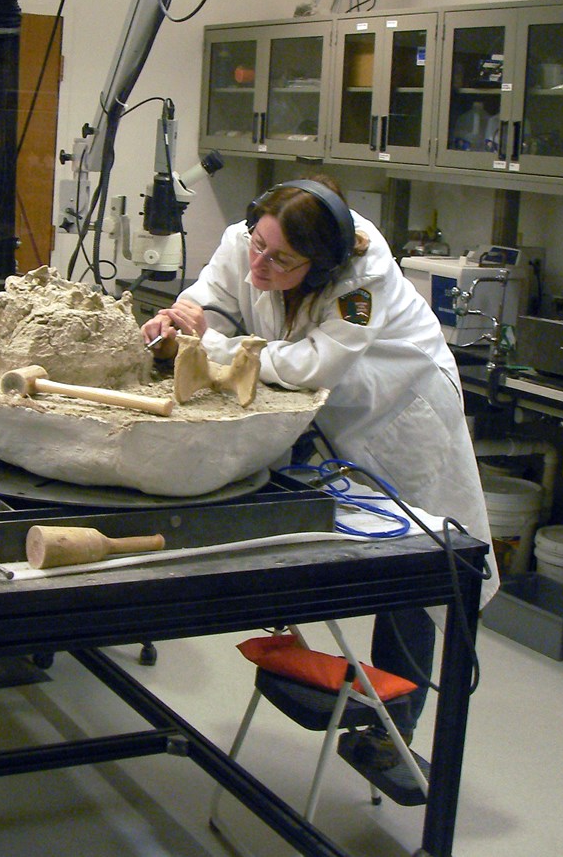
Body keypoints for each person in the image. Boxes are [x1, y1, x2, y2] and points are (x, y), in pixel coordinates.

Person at [142, 174, 497, 766]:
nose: (258, 263)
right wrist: (186, 317)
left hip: (398, 415)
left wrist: (218, 349)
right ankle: (302, 654)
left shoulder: (365, 280)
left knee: (415, 566)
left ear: (322, 264)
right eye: (256, 244)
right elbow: (215, 299)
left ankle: (393, 729)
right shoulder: (252, 240)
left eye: (278, 260)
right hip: (322, 412)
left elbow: (314, 365)